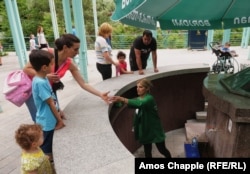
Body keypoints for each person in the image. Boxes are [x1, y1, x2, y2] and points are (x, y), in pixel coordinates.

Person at [23, 34, 110, 122]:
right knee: (40, 119)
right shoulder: (47, 53)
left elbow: (83, 84)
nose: (78, 52)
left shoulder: (69, 63)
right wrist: (45, 76)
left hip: (49, 89)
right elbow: (26, 68)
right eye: (75, 49)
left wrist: (100, 94)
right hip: (33, 89)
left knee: (55, 118)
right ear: (65, 47)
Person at [111, 78, 171, 158]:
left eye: (141, 87)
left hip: (154, 130)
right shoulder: (140, 98)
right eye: (137, 87)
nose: (138, 89)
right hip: (145, 130)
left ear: (147, 89)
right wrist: (117, 101)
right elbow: (134, 104)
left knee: (162, 149)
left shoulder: (149, 99)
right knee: (147, 152)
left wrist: (122, 99)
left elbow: (139, 104)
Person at [30, 50, 65, 162]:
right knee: (47, 149)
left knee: (48, 146)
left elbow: (52, 98)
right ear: (44, 67)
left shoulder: (43, 78)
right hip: (47, 122)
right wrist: (59, 120)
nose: (53, 66)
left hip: (47, 119)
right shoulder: (40, 83)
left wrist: (60, 110)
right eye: (51, 64)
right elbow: (50, 103)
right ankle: (48, 166)